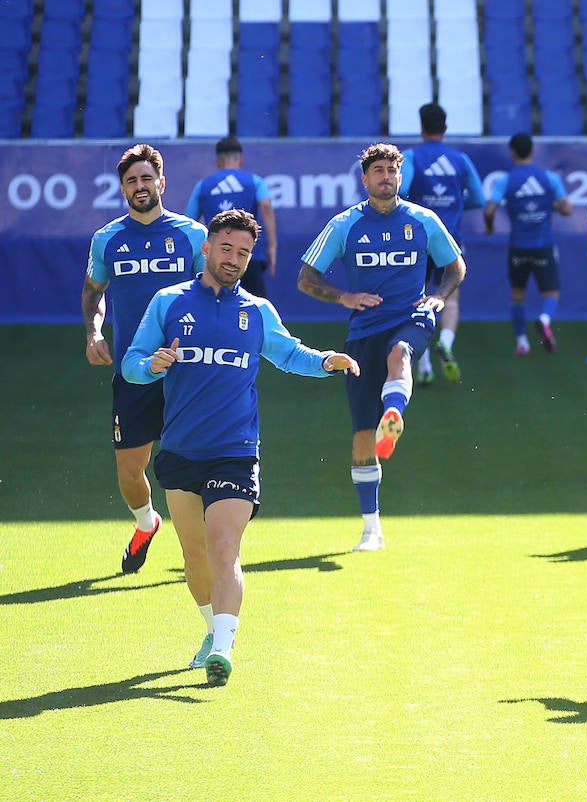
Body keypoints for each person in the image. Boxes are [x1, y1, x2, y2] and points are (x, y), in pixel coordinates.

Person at [123, 209, 360, 686]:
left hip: (235, 449)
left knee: (224, 545)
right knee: (194, 555)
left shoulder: (257, 311)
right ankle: (212, 631)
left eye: (244, 253)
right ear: (206, 248)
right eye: (227, 248)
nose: (234, 259)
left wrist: (327, 360)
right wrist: (152, 364)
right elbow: (130, 362)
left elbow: (290, 354)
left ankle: (225, 649)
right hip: (181, 452)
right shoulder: (168, 302)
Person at [299, 143, 466, 551]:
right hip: (363, 330)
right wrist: (344, 297)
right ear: (365, 179)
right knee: (361, 438)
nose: (386, 177)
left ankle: (394, 413)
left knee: (401, 354)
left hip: (410, 316)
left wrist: (440, 297)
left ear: (400, 176)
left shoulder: (423, 220)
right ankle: (371, 528)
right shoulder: (344, 225)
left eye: (392, 170)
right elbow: (306, 277)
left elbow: (456, 266)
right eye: (378, 171)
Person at [83, 143, 207, 574]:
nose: (140, 186)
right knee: (131, 472)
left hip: (187, 371)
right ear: (122, 188)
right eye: (131, 180)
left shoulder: (192, 236)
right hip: (133, 370)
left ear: (162, 182)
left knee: (193, 459)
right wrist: (94, 331)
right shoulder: (107, 239)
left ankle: (209, 542)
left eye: (146, 178)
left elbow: (213, 295)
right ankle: (146, 522)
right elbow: (93, 292)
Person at [399, 102, 484, 382]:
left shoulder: (411, 157)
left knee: (417, 298)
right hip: (451, 239)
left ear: (421, 127)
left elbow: (404, 191)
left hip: (419, 239)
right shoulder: (459, 159)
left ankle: (422, 366)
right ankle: (445, 342)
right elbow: (478, 199)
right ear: (445, 128)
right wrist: (456, 203)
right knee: (451, 297)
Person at [483, 132, 574, 354]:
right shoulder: (549, 178)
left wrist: (490, 227)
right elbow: (567, 209)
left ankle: (522, 342)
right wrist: (548, 206)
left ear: (512, 152)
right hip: (543, 244)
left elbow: (489, 210)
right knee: (551, 293)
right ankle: (544, 318)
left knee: (517, 294)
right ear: (532, 151)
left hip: (518, 246)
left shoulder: (505, 180)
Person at [184, 136, 278, 297]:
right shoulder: (255, 181)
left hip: (215, 257)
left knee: (214, 306)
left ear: (218, 162)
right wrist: (272, 246)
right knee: (254, 307)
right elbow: (266, 207)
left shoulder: (203, 185)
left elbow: (189, 222)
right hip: (246, 254)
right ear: (240, 160)